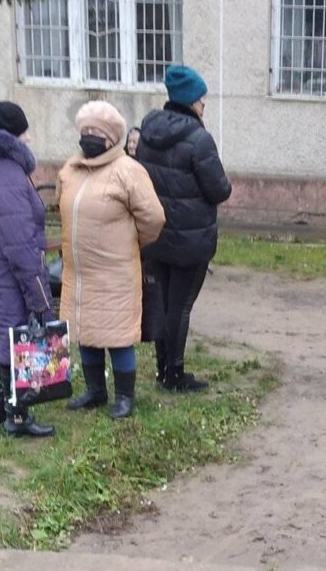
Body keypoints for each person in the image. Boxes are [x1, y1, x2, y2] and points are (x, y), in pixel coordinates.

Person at [58, 102, 165, 418]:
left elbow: (153, 218)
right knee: (86, 332)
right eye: (86, 130)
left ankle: (124, 397)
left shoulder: (128, 170)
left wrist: (130, 243)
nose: (90, 136)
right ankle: (95, 391)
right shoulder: (71, 169)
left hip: (114, 270)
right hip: (79, 271)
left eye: (98, 132)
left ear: (113, 137)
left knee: (118, 336)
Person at [136, 65, 232, 392]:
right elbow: (219, 190)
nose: (204, 104)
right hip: (191, 240)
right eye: (201, 99)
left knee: (163, 302)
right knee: (180, 306)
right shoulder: (199, 139)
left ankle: (163, 369)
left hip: (156, 234)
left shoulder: (148, 131)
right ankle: (175, 374)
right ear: (191, 100)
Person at [0, 101, 55, 437]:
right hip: (7, 271)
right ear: (7, 135)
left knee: (2, 336)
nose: (29, 138)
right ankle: (17, 417)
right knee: (18, 337)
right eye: (24, 131)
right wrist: (38, 294)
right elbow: (19, 242)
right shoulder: (5, 173)